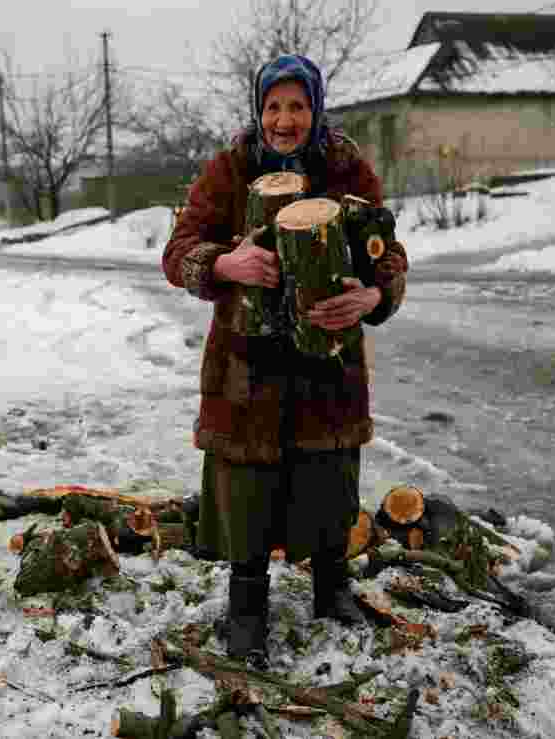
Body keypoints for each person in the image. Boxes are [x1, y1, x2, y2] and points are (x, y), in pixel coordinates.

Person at [163, 54, 408, 667]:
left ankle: (332, 589)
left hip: (328, 358)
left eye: (298, 106)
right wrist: (225, 264)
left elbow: (388, 251)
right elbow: (179, 249)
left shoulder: (346, 165)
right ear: (259, 110)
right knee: (246, 487)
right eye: (274, 106)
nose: (285, 119)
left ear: (316, 110)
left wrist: (374, 294)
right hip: (247, 363)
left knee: (329, 475)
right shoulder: (231, 167)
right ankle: (247, 607)